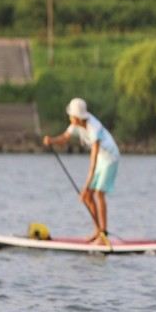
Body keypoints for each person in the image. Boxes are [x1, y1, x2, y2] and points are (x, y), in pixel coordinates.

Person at [43, 98, 120, 245]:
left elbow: (93, 163)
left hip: (110, 158)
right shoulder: (75, 125)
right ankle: (98, 231)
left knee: (98, 193)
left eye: (71, 115)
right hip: (101, 159)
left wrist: (85, 187)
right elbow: (65, 138)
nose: (70, 118)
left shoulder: (94, 128)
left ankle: (103, 235)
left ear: (78, 117)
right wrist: (51, 141)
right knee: (88, 197)